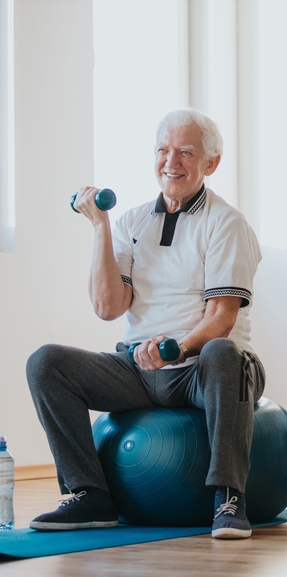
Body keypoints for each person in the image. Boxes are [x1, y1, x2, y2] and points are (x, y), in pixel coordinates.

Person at [26, 109, 264, 539]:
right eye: (163, 150)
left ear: (211, 164)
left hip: (204, 371)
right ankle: (89, 494)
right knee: (46, 363)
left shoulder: (227, 224)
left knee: (222, 352)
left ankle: (229, 497)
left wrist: (176, 348)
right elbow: (107, 307)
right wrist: (100, 227)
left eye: (186, 152)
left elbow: (222, 319)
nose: (171, 161)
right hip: (139, 368)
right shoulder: (132, 222)